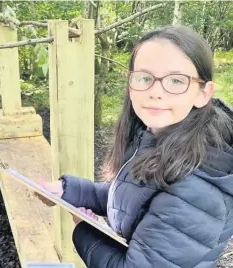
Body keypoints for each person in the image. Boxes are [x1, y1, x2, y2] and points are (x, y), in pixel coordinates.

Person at [39, 26, 233, 267]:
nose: (155, 92)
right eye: (144, 77)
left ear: (204, 93)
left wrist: (84, 229)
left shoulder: (198, 187)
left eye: (175, 80)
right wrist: (68, 191)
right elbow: (133, 200)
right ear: (130, 84)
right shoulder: (156, 137)